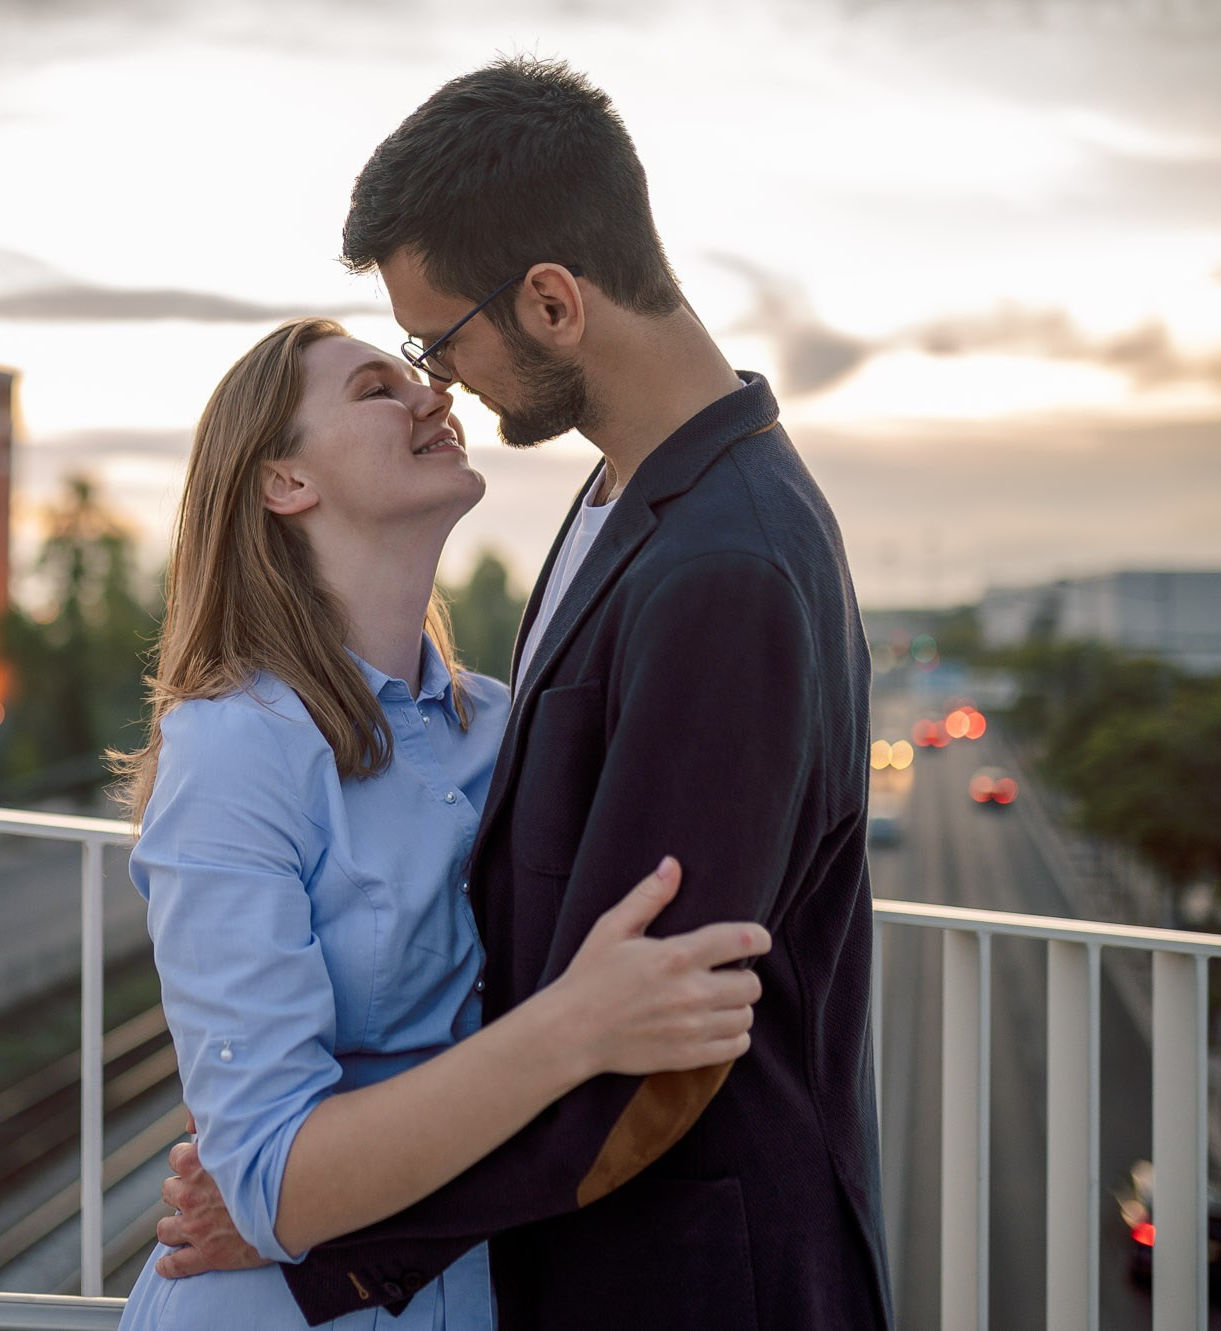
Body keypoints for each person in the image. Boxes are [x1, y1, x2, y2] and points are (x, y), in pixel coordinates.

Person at [155, 59, 892, 1330]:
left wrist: (326, 1229)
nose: (439, 382)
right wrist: (292, 1177)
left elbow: (652, 1051)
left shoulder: (725, 563)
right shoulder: (618, 502)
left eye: (434, 342)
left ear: (551, 301)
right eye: (394, 366)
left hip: (685, 1274)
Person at [112, 316, 771, 1330]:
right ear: (285, 482)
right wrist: (575, 1028)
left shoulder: (501, 721)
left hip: (481, 1292)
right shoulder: (233, 748)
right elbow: (271, 1185)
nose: (436, 394)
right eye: (378, 388)